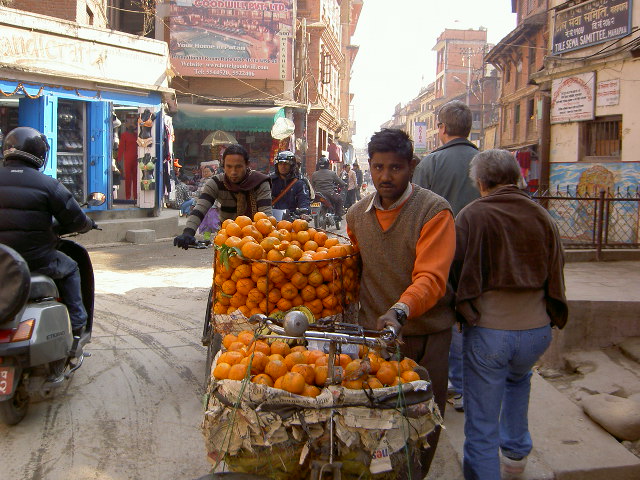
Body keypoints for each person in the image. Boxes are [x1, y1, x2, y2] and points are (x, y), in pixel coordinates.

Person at [449, 149, 568, 480]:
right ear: (516, 178)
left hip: (490, 331)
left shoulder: (472, 215)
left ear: (480, 182)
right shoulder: (542, 215)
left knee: (482, 425)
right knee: (519, 380)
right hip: (536, 331)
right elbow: (556, 269)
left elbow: (453, 271)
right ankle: (515, 459)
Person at [346, 128, 455, 477]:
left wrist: (400, 310)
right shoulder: (356, 216)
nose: (385, 176)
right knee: (374, 423)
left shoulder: (434, 211)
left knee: (422, 425)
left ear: (412, 166)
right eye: (378, 167)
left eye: (395, 167)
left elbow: (431, 278)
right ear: (369, 165)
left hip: (426, 336)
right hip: (374, 337)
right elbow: (353, 269)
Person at [412, 99, 480, 412]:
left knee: (446, 314)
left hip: (440, 250)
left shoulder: (431, 163)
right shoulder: (483, 161)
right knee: (473, 314)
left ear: (441, 128)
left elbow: (414, 211)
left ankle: (454, 382)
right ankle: (468, 387)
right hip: (477, 252)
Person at [0, 127, 95, 337]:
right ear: (40, 154)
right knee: (71, 267)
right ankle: (78, 324)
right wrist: (89, 224)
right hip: (37, 261)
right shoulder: (49, 185)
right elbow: (76, 220)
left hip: (2, 261)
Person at [173, 144, 272, 249]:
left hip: (257, 241)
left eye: (238, 167)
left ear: (247, 165)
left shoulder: (259, 182)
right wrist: (188, 232)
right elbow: (200, 208)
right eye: (229, 167)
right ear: (223, 165)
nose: (233, 172)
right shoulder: (215, 183)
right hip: (227, 240)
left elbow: (266, 217)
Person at [310, 156, 346, 222]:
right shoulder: (332, 173)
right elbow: (340, 182)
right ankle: (338, 216)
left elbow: (312, 185)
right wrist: (344, 184)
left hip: (318, 194)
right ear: (327, 164)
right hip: (329, 194)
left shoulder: (314, 174)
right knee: (339, 200)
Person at [117, 123, 138, 201]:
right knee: (128, 178)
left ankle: (136, 196)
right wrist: (119, 159)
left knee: (136, 178)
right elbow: (121, 147)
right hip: (128, 158)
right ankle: (128, 197)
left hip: (136, 158)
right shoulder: (124, 135)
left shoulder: (137, 135)